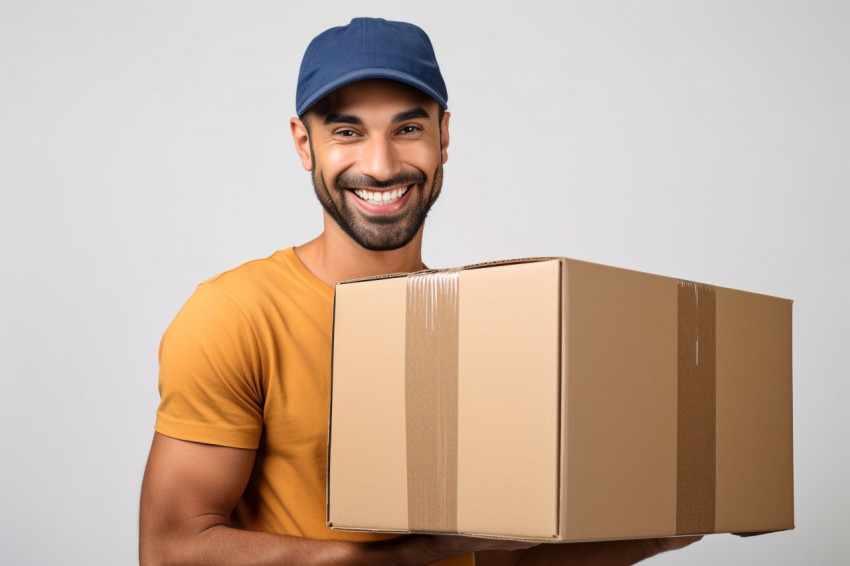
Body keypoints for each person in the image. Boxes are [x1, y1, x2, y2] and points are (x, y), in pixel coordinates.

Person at [139, 17, 700, 565]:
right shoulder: (235, 316)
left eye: (408, 129)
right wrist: (417, 552)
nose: (381, 166)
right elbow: (171, 551)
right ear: (304, 144)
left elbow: (500, 557)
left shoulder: (475, 322)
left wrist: (660, 536)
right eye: (347, 131)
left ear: (444, 137)